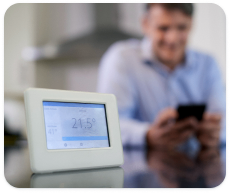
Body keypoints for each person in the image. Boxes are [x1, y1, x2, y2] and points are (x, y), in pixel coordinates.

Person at [97, 3, 225, 150]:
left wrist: (215, 133)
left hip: (198, 166)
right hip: (140, 169)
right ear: (145, 24)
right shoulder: (121, 59)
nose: (172, 39)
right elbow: (107, 124)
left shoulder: (208, 64)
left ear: (191, 24)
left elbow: (222, 122)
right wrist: (148, 134)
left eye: (182, 27)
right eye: (163, 28)